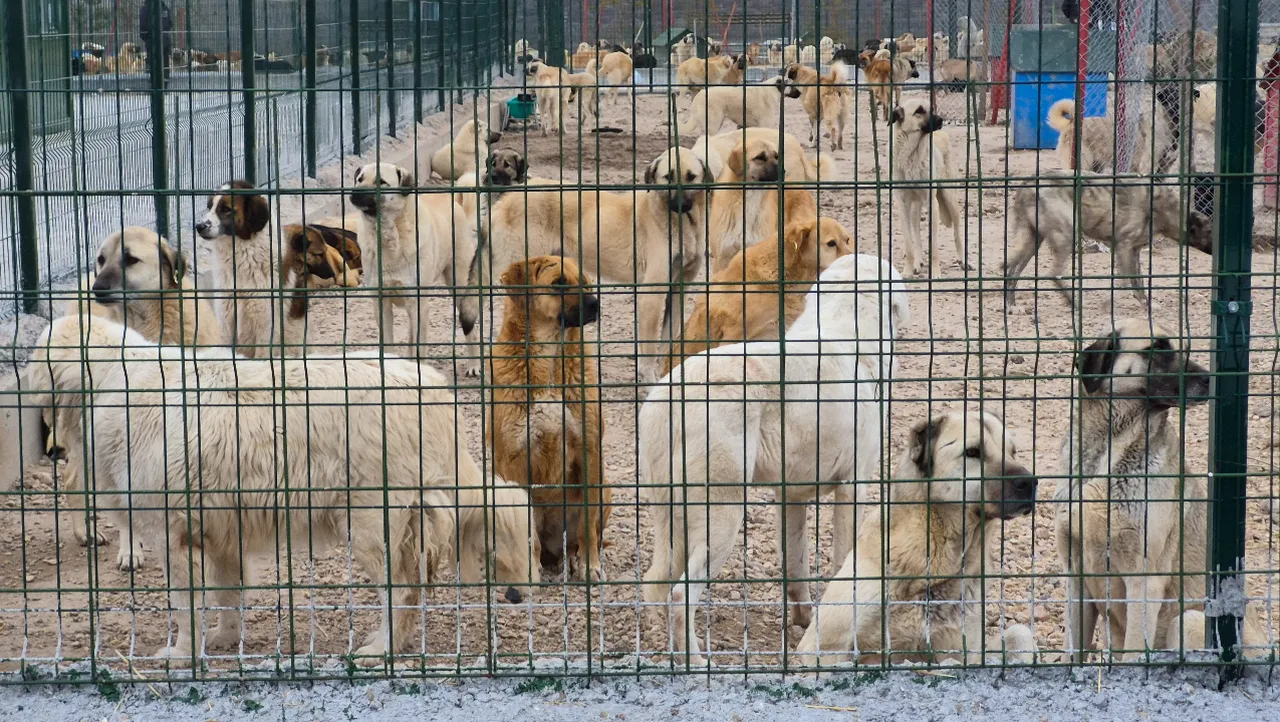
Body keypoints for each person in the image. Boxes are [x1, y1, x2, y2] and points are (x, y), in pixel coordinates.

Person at [139, 1, 173, 81]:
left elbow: (143, 26)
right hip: (165, 39)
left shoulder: (145, 9)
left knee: (153, 63)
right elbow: (170, 23)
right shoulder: (165, 8)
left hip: (152, 40)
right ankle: (165, 82)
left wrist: (146, 38)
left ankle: (155, 84)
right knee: (165, 63)